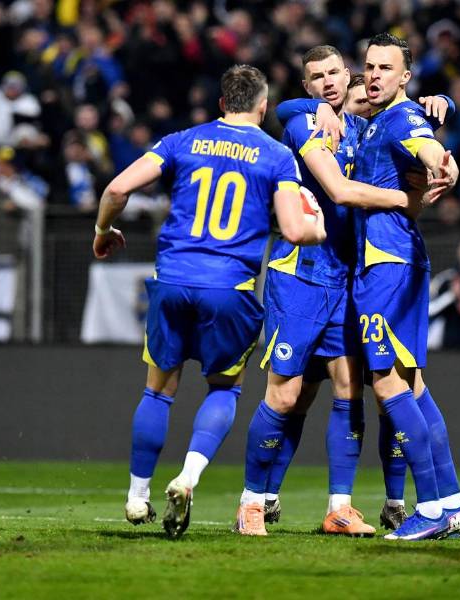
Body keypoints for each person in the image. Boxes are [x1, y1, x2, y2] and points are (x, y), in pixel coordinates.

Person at [92, 64, 325, 539]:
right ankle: (188, 477)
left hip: (173, 280)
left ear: (222, 103)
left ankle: (137, 495)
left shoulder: (182, 140)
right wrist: (317, 228)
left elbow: (116, 188)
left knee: (157, 391)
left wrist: (103, 230)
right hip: (229, 289)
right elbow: (295, 229)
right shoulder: (278, 155)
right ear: (263, 107)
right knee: (223, 389)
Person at [236, 47, 453, 537]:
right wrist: (407, 199)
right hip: (300, 273)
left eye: (335, 72)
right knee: (286, 394)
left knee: (351, 389)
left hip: (347, 277)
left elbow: (400, 114)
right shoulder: (306, 123)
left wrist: (442, 103)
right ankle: (251, 501)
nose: (328, 82)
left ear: (348, 75)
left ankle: (340, 506)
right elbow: (338, 189)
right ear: (307, 86)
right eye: (316, 77)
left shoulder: (362, 128)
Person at [350, 32, 460, 541]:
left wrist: (445, 166)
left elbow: (431, 150)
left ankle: (432, 507)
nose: (374, 75)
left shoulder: (400, 118)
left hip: (386, 262)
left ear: (405, 77)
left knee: (386, 384)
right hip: (399, 259)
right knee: (413, 387)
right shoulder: (379, 118)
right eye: (370, 66)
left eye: (386, 68)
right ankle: (454, 503)